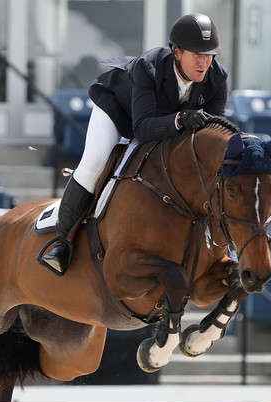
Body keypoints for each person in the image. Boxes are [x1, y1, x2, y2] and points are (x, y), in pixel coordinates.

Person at [40, 13, 229, 276]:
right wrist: (180, 118)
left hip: (163, 124)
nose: (204, 62)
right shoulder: (147, 67)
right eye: (197, 54)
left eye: (209, 55)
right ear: (177, 51)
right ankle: (62, 242)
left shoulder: (217, 78)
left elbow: (211, 134)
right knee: (95, 161)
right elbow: (141, 129)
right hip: (118, 111)